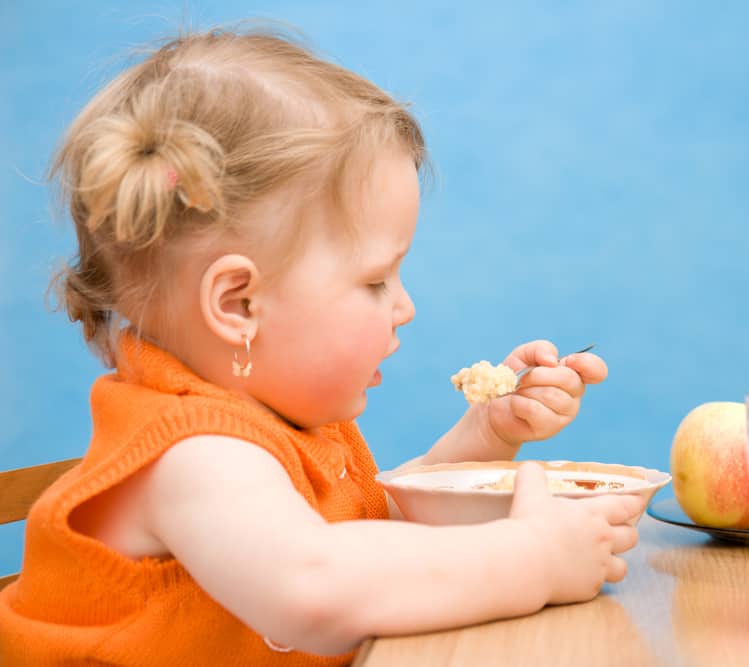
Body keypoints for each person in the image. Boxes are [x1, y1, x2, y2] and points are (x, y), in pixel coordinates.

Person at [0, 26, 642, 666]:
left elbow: (368, 539)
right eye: (374, 280)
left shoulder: (269, 423)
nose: (405, 306)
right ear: (238, 305)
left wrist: (484, 437)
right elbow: (316, 588)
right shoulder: (191, 455)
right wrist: (531, 558)